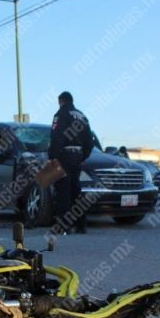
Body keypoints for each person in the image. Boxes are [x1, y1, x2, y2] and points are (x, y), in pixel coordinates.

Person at [48, 91, 94, 234]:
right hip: (78, 156)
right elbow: (90, 142)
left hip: (64, 155)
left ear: (60, 101)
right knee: (76, 191)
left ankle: (63, 226)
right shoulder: (82, 116)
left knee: (63, 190)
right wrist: (82, 156)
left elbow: (56, 136)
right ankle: (81, 225)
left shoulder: (61, 114)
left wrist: (53, 156)